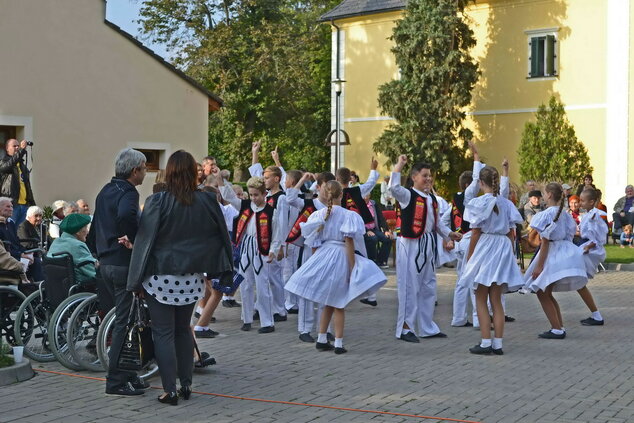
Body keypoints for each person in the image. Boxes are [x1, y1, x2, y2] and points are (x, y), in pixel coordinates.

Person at [127, 150, 233, 405]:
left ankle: (169, 390)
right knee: (183, 332)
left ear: (169, 172)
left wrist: (135, 280)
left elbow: (144, 243)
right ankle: (186, 385)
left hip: (160, 277)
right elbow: (220, 235)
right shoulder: (207, 200)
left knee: (163, 333)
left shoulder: (157, 201)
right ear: (192, 172)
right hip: (192, 277)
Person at [285, 181, 386, 354]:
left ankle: (322, 338)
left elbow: (314, 242)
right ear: (342, 195)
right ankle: (338, 342)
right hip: (341, 256)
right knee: (339, 303)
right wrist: (353, 268)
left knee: (328, 301)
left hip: (324, 255)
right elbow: (349, 243)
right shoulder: (349, 215)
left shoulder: (318, 215)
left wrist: (318, 263)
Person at [87, 147, 149, 396]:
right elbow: (126, 215)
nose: (145, 173)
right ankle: (115, 380)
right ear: (135, 171)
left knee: (126, 319)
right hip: (123, 262)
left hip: (106, 262)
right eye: (144, 169)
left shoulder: (105, 191)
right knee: (124, 322)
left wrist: (97, 251)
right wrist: (134, 239)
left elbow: (94, 228)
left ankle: (129, 372)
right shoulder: (129, 192)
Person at [389, 155, 461, 343]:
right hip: (410, 244)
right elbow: (393, 188)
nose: (428, 179)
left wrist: (449, 234)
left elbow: (435, 224)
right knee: (409, 286)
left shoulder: (432, 199)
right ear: (414, 177)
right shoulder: (408, 195)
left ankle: (427, 327)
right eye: (424, 176)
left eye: (430, 176)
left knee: (428, 286)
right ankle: (405, 328)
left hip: (428, 244)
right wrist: (399, 165)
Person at [457, 166, 524, 355]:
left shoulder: (479, 203)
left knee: (480, 296)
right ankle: (498, 343)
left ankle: (486, 342)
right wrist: (509, 255)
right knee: (496, 300)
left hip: (486, 247)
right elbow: (512, 232)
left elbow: (476, 232)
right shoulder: (506, 203)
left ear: (480, 183)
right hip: (502, 246)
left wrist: (471, 257)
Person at [217, 173, 282, 334]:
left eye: (256, 195)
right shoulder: (245, 206)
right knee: (245, 284)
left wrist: (273, 250)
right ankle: (246, 319)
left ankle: (267, 322)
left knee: (262, 286)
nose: (253, 198)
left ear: (264, 194)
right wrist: (219, 179)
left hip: (262, 249)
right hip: (246, 248)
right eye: (251, 194)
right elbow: (229, 196)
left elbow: (277, 234)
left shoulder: (271, 211)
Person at [523, 183, 588, 339]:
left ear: (550, 195)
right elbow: (569, 235)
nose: (543, 196)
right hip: (562, 251)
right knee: (546, 293)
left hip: (551, 254)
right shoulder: (564, 214)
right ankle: (558, 327)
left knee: (542, 293)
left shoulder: (546, 214)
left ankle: (557, 328)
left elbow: (544, 242)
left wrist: (538, 267)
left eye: (544, 193)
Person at [285, 171, 335, 343]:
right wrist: (302, 181)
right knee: (307, 288)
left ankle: (325, 328)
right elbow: (290, 198)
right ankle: (305, 328)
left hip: (327, 251)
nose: (328, 193)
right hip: (308, 250)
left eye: (331, 189)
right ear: (318, 187)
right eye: (325, 188)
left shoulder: (335, 207)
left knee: (326, 290)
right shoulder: (308, 204)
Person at [576, 189, 607, 326]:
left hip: (591, 249)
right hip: (586, 245)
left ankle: (597, 315)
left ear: (592, 202)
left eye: (583, 201)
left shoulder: (595, 216)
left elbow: (599, 236)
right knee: (579, 282)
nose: (580, 203)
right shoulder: (588, 214)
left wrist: (589, 246)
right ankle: (596, 315)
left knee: (579, 280)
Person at [0, 197, 42, 282]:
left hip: (16, 254)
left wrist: (26, 253)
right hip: (7, 256)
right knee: (36, 263)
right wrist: (20, 255)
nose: (11, 209)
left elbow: (17, 242)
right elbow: (3, 250)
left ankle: (36, 288)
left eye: (12, 207)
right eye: (7, 206)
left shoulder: (11, 223)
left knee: (36, 260)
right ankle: (36, 290)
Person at [47, 214, 96, 285]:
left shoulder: (56, 242)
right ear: (78, 231)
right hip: (81, 287)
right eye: (85, 227)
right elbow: (93, 271)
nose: (88, 232)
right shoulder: (77, 245)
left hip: (55, 287)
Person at [0, 139, 35, 226]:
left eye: (18, 146)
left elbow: (27, 186)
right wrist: (21, 150)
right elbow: (6, 167)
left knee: (20, 233)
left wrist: (32, 204)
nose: (17, 148)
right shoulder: (4, 162)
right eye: (14, 146)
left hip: (24, 205)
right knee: (9, 229)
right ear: (7, 149)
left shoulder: (22, 165)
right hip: (12, 204)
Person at [362, 194, 393, 269]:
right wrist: (366, 230)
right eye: (364, 195)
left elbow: (381, 217)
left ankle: (381, 261)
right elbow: (358, 220)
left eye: (367, 195)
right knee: (373, 238)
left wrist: (386, 230)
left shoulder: (373, 204)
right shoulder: (358, 205)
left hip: (374, 229)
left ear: (370, 195)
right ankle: (372, 261)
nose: (365, 197)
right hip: (363, 230)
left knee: (388, 238)